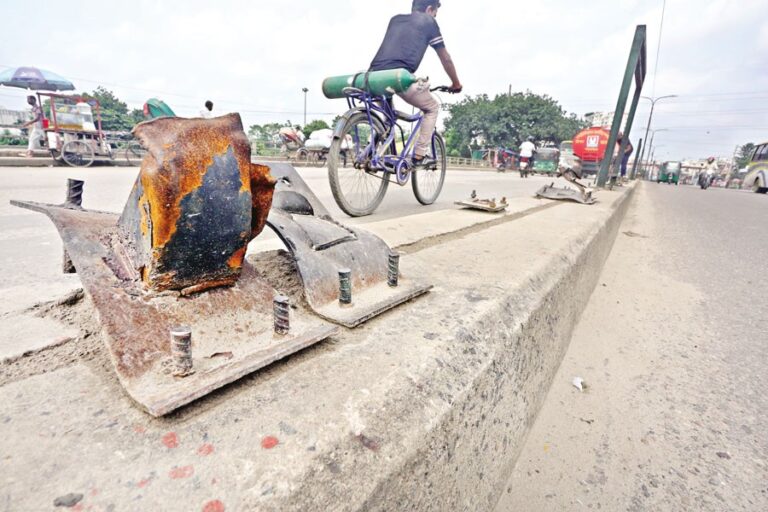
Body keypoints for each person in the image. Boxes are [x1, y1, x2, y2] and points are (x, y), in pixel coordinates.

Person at [369, 0, 462, 168]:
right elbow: (445, 58)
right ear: (429, 9)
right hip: (398, 77)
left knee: (389, 120)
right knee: (432, 107)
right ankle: (419, 156)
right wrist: (456, 83)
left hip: (373, 77)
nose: (434, 16)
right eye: (435, 13)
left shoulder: (395, 19)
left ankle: (375, 153)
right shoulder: (429, 22)